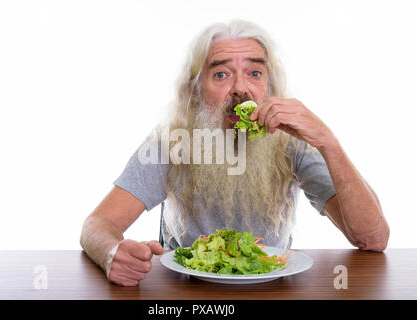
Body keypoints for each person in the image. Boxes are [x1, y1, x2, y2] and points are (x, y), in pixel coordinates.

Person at [80, 20, 390, 286]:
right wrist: (111, 253)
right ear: (195, 91)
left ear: (270, 86)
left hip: (271, 285)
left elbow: (373, 239)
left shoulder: (292, 141)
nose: (241, 89)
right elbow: (97, 225)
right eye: (221, 75)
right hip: (186, 289)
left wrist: (328, 142)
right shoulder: (173, 139)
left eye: (255, 73)